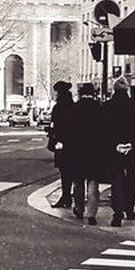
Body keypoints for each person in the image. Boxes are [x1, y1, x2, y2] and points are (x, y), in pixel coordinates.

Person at [101, 74, 135, 226]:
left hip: (113, 149)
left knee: (116, 179)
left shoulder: (108, 106)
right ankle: (130, 208)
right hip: (131, 147)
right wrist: (132, 143)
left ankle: (117, 212)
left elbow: (103, 129)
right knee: (131, 177)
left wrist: (114, 144)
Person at [69, 81, 109, 225]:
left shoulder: (75, 108)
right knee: (93, 183)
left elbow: (70, 131)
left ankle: (79, 208)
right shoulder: (99, 108)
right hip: (95, 151)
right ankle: (91, 213)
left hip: (78, 151)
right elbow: (105, 131)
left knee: (78, 182)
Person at [47, 80, 76, 209]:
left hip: (61, 143)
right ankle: (68, 196)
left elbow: (55, 125)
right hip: (73, 143)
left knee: (64, 172)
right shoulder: (73, 106)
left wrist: (52, 135)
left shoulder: (58, 108)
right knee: (72, 171)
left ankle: (66, 196)